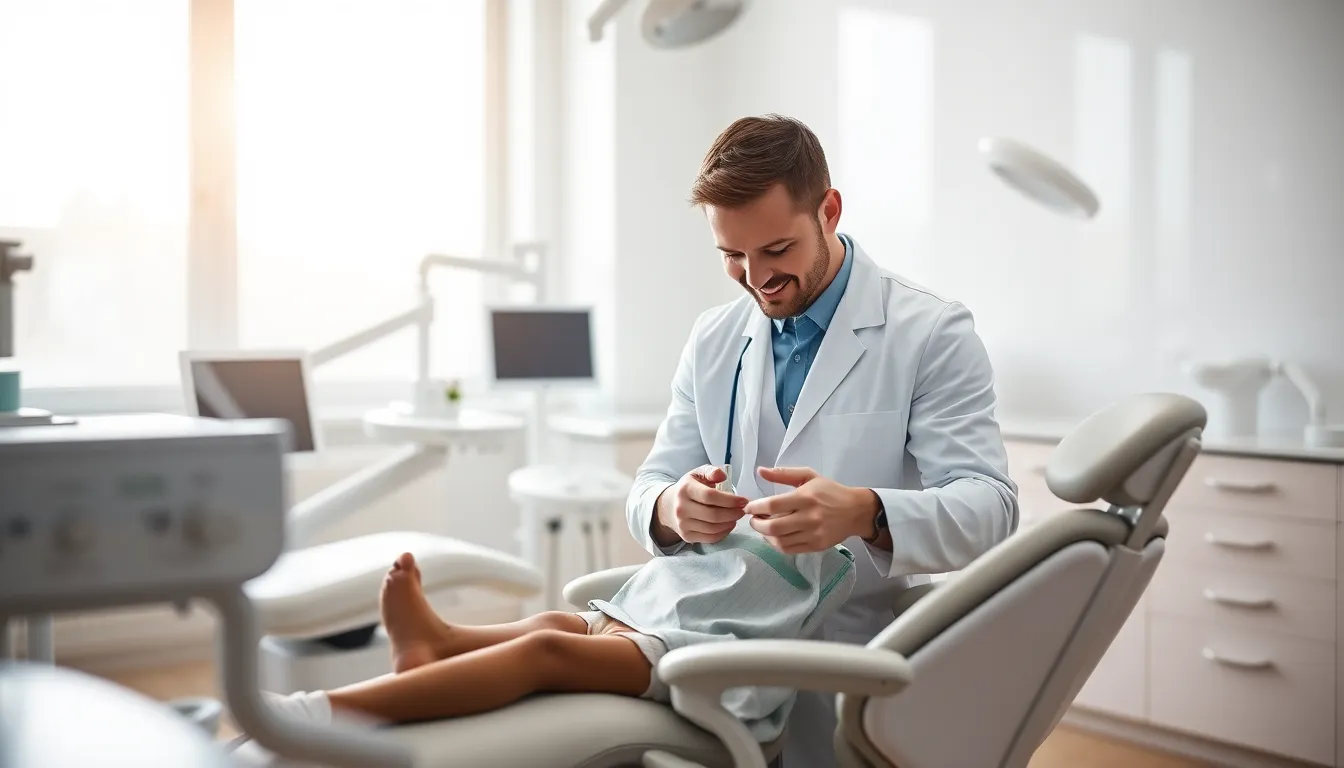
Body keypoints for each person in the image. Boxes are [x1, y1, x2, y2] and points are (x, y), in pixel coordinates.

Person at [627, 113, 1019, 766]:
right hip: (722, 638)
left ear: (828, 211)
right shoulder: (714, 338)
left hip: (851, 659)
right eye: (732, 256)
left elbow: (991, 507)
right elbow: (648, 486)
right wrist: (674, 508)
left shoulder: (930, 333)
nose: (756, 278)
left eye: (776, 251)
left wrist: (866, 511)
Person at [238, 528, 857, 755]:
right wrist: (680, 504)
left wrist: (847, 521)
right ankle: (441, 642)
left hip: (686, 652)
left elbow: (780, 607)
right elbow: (660, 508)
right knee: (550, 626)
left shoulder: (837, 553)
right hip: (639, 615)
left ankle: (325, 712)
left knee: (546, 654)